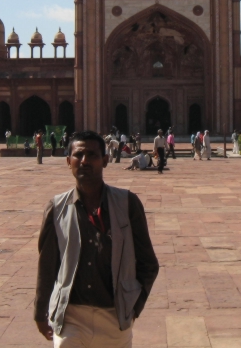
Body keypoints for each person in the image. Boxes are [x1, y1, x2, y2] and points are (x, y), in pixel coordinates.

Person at [34, 130, 159, 346]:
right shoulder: (57, 209)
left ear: (105, 160)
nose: (84, 161)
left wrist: (133, 306)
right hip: (70, 317)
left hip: (114, 316)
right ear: (68, 161)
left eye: (92, 155)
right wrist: (40, 311)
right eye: (78, 155)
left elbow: (149, 263)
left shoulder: (127, 204)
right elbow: (47, 266)